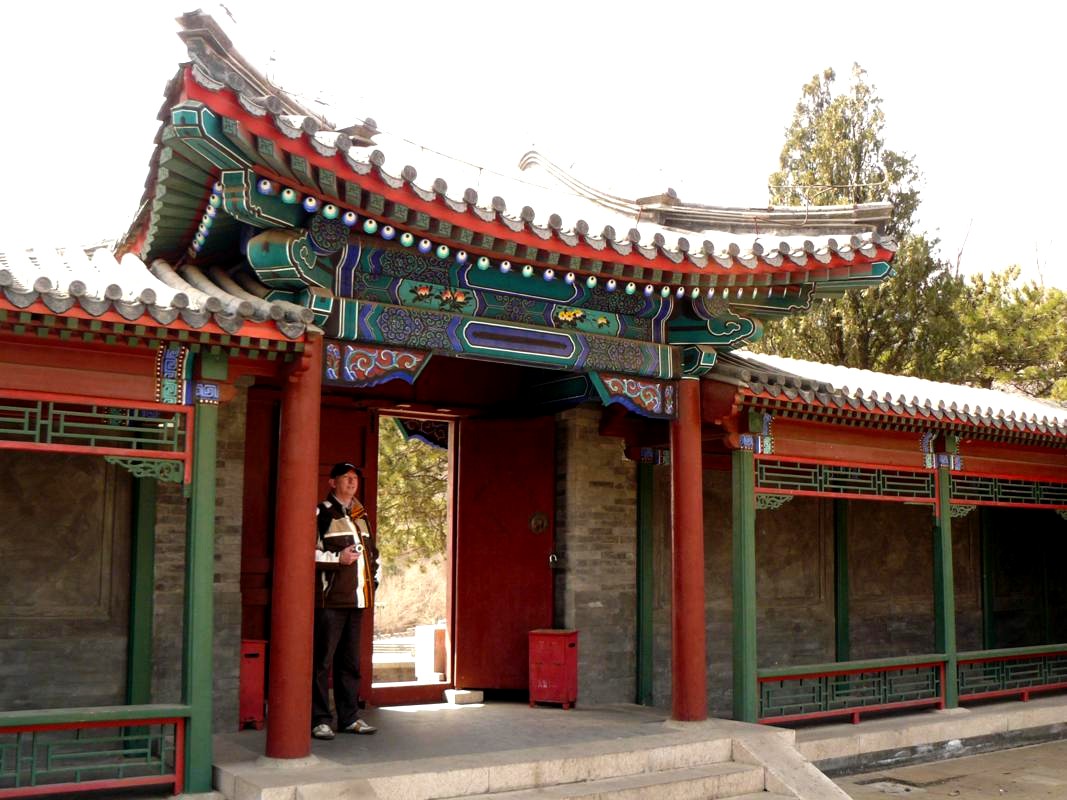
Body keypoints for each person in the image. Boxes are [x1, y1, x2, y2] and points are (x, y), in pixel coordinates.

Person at [311, 461, 380, 739]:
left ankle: (349, 718)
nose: (352, 482)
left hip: (357, 601)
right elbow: (305, 552)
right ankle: (319, 720)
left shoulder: (361, 516)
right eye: (345, 477)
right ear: (332, 483)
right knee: (321, 663)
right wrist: (337, 558)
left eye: (355, 478)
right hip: (330, 602)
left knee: (350, 663)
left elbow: (373, 555)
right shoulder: (321, 513)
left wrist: (374, 582)